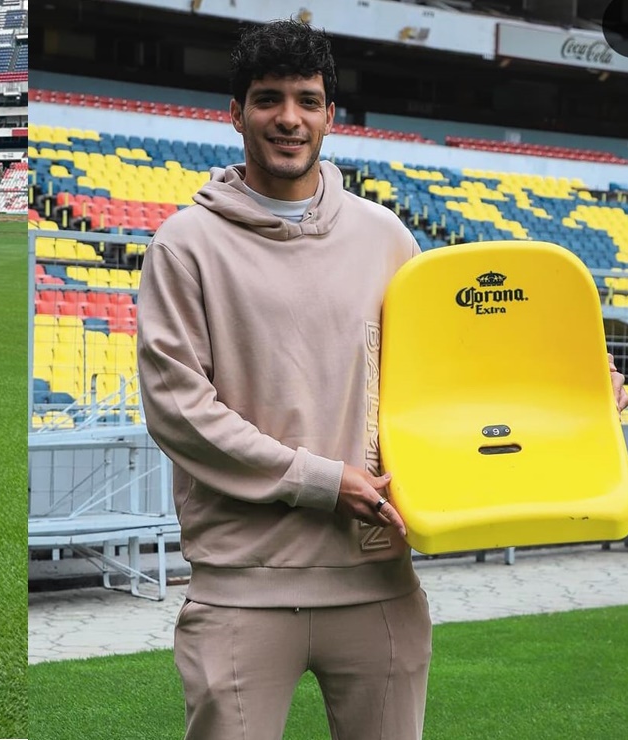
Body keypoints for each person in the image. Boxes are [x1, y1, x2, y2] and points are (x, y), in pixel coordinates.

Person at [136, 18, 628, 740]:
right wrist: (323, 479)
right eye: (267, 99)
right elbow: (178, 408)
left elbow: (447, 374)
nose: (288, 118)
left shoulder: (387, 237)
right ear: (235, 112)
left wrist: (576, 385)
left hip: (377, 583)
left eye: (306, 99)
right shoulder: (184, 245)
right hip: (242, 587)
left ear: (331, 115)